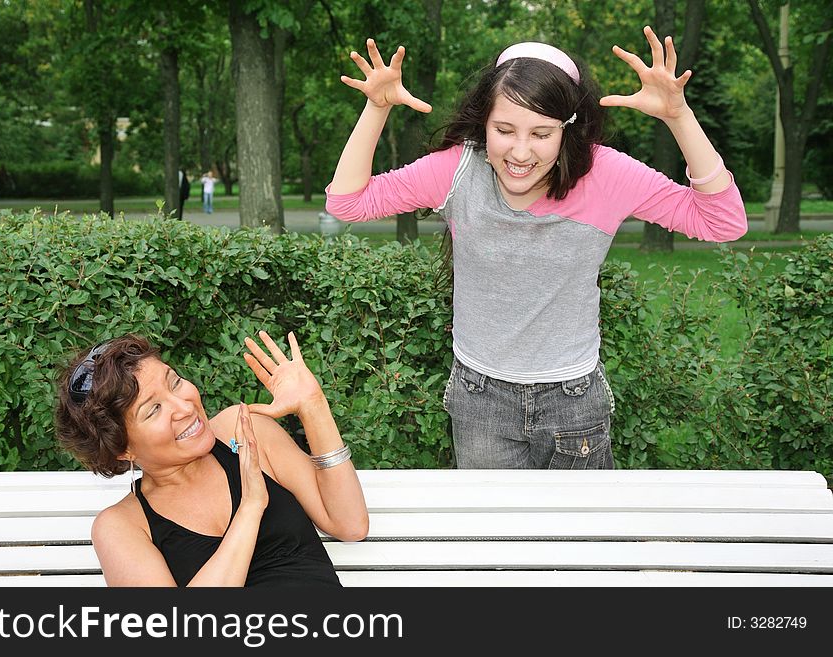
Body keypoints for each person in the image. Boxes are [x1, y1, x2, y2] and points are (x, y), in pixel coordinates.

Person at [325, 27, 748, 470]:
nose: (521, 152)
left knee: (582, 538)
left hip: (573, 399)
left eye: (541, 134)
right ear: (483, 123)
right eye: (504, 129)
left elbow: (724, 222)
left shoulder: (604, 173)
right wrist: (376, 109)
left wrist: (679, 117)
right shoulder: (458, 169)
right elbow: (347, 202)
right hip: (479, 397)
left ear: (567, 129)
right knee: (495, 538)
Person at [54, 330, 369, 586]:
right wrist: (250, 509)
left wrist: (312, 406)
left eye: (174, 382)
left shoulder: (245, 430)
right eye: (153, 410)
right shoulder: (122, 526)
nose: (185, 406)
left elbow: (350, 525)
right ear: (123, 449)